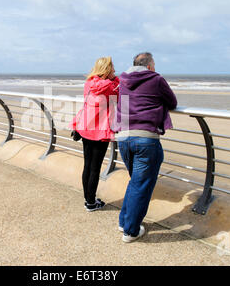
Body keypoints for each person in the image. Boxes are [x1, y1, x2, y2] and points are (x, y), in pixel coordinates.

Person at [115, 52, 177, 242]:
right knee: (141, 185)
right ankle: (131, 231)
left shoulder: (122, 81)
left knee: (135, 182)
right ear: (149, 66)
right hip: (146, 139)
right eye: (155, 64)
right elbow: (172, 102)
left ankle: (124, 221)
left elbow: (123, 105)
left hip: (123, 137)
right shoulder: (156, 79)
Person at [71, 56, 119, 212]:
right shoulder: (112, 87)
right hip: (100, 132)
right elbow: (122, 91)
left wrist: (75, 125)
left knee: (87, 166)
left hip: (86, 129)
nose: (115, 70)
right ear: (107, 70)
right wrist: (115, 78)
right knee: (95, 168)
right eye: (112, 68)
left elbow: (85, 105)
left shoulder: (89, 84)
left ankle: (88, 199)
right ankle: (91, 203)